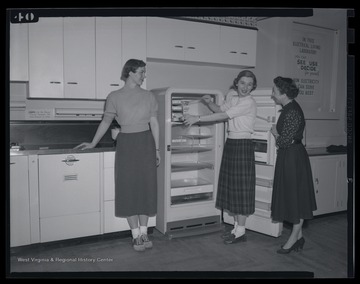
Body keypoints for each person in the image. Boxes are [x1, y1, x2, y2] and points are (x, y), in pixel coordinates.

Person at [75, 59, 160, 252]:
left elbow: (154, 124)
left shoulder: (149, 96)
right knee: (128, 187)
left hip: (146, 143)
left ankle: (145, 232)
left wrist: (157, 149)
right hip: (127, 144)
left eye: (144, 72)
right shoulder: (114, 96)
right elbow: (105, 122)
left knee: (146, 187)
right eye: (141, 72)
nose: (144, 76)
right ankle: (136, 235)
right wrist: (93, 143)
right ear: (130, 72)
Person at [183, 70, 257, 244]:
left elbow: (224, 115)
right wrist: (210, 103)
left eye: (249, 84)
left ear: (253, 87)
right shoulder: (233, 98)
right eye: (242, 83)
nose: (245, 87)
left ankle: (241, 231)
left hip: (243, 145)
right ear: (236, 82)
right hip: (232, 143)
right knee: (233, 187)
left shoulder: (249, 102)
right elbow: (220, 109)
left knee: (241, 189)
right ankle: (237, 229)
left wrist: (197, 118)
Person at [270, 76, 317, 254]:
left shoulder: (291, 111)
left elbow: (285, 141)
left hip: (292, 157)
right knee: (293, 195)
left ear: (283, 93)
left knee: (296, 197)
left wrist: (275, 133)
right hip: (290, 156)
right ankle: (298, 238)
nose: (272, 94)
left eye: (274, 91)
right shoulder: (289, 108)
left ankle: (294, 238)